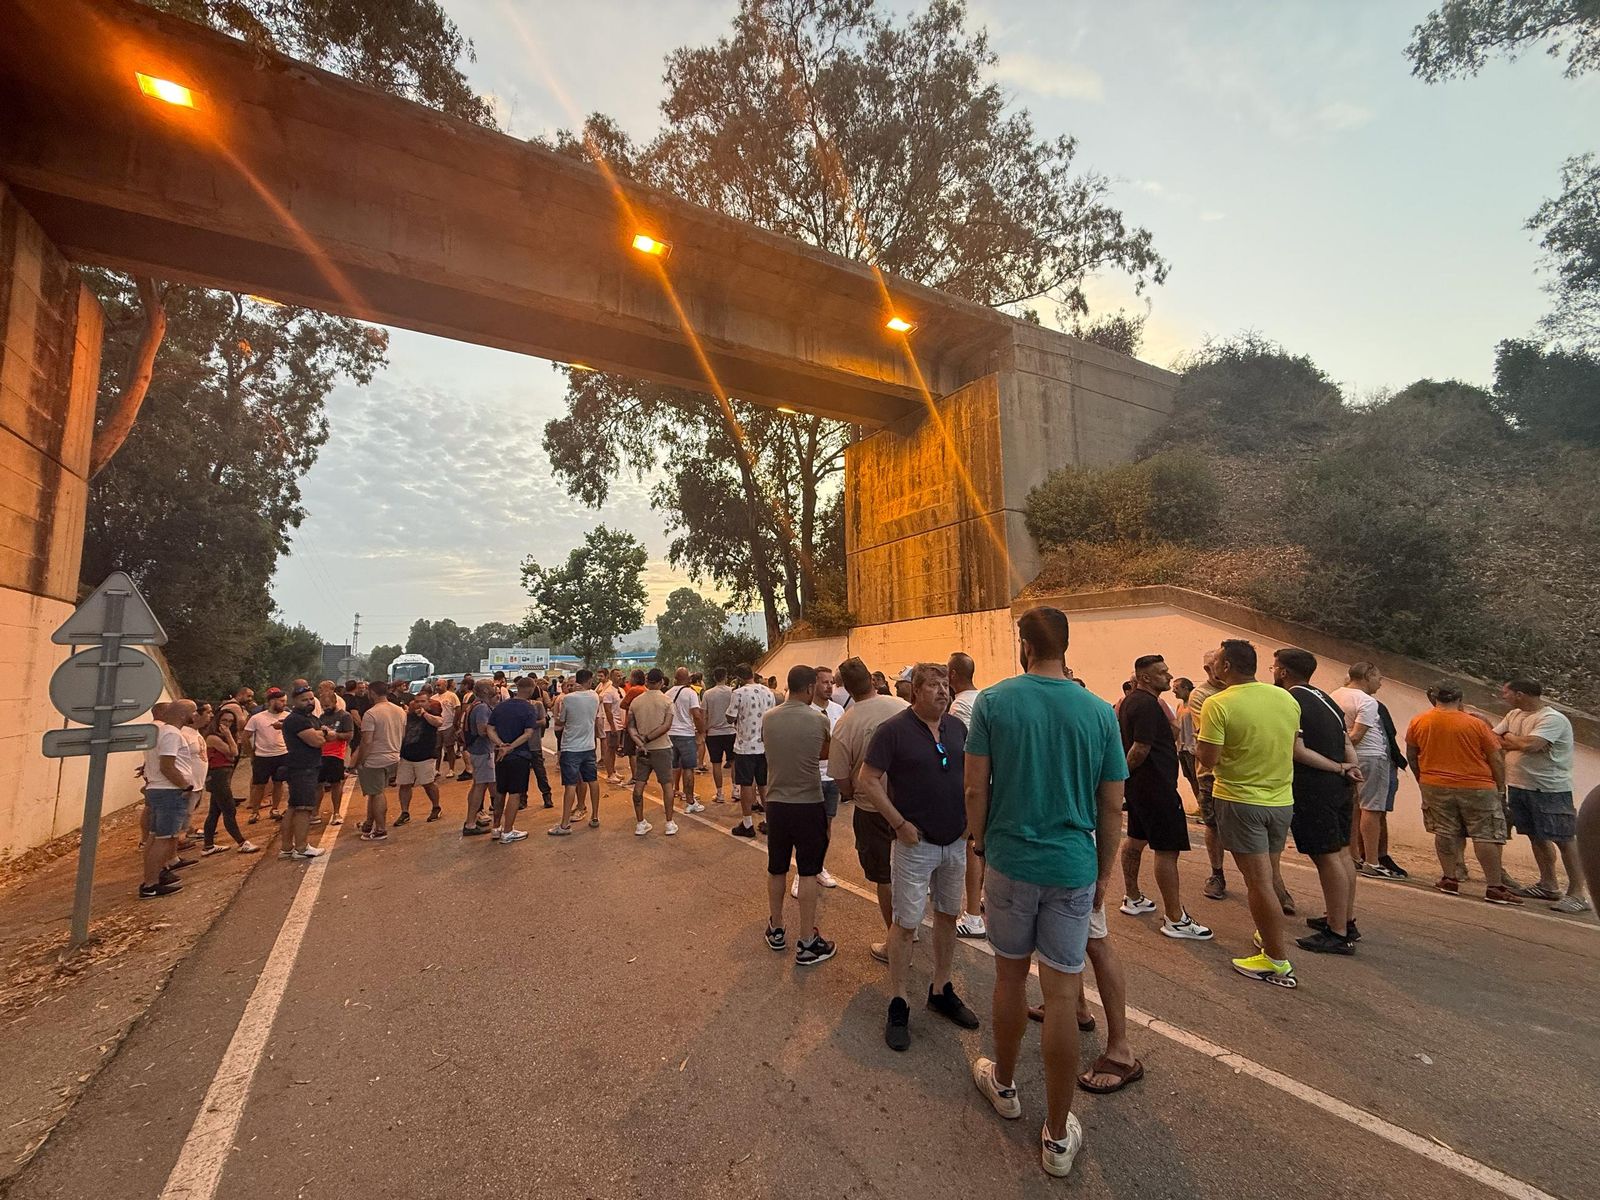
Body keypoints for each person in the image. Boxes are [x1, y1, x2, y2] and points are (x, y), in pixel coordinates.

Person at [965, 607, 1127, 1178]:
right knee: (1062, 994)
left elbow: (975, 788)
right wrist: (1104, 873)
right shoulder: (1099, 710)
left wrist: (980, 847)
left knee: (1010, 977)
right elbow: (1112, 806)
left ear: (1023, 645)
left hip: (1010, 861)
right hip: (1073, 865)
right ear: (1065, 645)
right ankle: (1058, 1135)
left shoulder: (994, 702)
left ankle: (1004, 1085)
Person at [859, 662, 980, 1050]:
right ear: (915, 691)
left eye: (946, 684)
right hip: (914, 845)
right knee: (906, 923)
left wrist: (971, 822)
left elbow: (970, 778)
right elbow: (868, 780)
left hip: (954, 842)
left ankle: (941, 988)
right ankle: (898, 999)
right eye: (933, 685)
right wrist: (898, 823)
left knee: (947, 916)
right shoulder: (893, 731)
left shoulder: (957, 728)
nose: (943, 691)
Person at [1196, 640, 1301, 988]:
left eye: (1216, 663)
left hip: (1240, 800)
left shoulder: (1218, 703)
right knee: (1269, 877)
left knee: (1257, 883)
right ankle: (1267, 934)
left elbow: (1208, 759)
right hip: (1281, 800)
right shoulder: (1286, 697)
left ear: (1226, 667)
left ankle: (1275, 959)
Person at [1271, 648, 1365, 953]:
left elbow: (1297, 751)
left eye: (1275, 667)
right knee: (1341, 853)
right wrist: (1350, 767)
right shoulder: (1324, 697)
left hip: (1314, 786)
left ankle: (1337, 934)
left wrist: (1339, 767)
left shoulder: (1290, 700)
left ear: (1283, 672)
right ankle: (1344, 918)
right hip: (1338, 785)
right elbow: (1346, 738)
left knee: (1327, 857)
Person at [1117, 655, 1211, 939]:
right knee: (1167, 850)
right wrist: (1122, 777)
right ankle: (1175, 918)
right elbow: (1140, 749)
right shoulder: (1146, 704)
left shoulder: (1132, 701)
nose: (1169, 677)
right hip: (1155, 788)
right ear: (1145, 677)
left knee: (1135, 840)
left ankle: (1133, 898)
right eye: (1162, 673)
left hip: (1141, 787)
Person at [1406, 683, 1522, 905]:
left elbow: (1412, 753)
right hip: (1477, 785)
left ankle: (1450, 878)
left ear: (1435, 698)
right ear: (1460, 699)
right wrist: (1499, 787)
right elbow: (1495, 757)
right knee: (1485, 833)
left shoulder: (1419, 721)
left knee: (1445, 830)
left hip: (1435, 783)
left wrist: (1422, 777)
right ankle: (1494, 886)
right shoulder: (1476, 724)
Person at [829, 657, 910, 960]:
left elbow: (839, 775)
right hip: (910, 803)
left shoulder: (846, 723)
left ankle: (895, 940)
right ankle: (909, 929)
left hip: (871, 807)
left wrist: (852, 793)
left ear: (846, 688)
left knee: (883, 875)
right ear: (874, 681)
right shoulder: (902, 708)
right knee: (911, 868)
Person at [760, 665, 836, 965]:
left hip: (777, 803)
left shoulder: (769, 718)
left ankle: (776, 928)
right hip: (809, 802)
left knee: (776, 867)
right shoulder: (818, 719)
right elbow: (824, 753)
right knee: (807, 871)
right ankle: (807, 941)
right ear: (808, 688)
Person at [1496, 679, 1589, 913]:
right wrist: (1514, 741)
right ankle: (1548, 884)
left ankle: (1578, 894)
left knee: (1564, 839)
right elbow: (1494, 738)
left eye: (1506, 692)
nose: (1503, 695)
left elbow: (1533, 745)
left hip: (1549, 789)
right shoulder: (1514, 714)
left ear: (1519, 694)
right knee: (1536, 836)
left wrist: (1512, 740)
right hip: (1519, 785)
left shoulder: (1552, 719)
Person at [1331, 663, 1404, 879]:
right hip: (1372, 757)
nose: (1380, 683)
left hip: (1349, 756)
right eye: (1378, 678)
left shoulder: (1336, 694)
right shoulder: (1368, 701)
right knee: (1372, 809)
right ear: (1368, 675)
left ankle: (1354, 856)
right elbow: (1356, 736)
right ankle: (1372, 860)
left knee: (1354, 806)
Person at [141, 700, 199, 898]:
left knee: (156, 836)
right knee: (164, 839)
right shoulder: (171, 734)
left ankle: (157, 874)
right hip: (169, 791)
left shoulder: (160, 733)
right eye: (194, 712)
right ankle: (150, 885)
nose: (196, 716)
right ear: (183, 714)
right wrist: (185, 786)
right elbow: (168, 766)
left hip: (158, 790)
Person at [948, 652, 987, 938]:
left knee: (973, 847)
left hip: (976, 785)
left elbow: (961, 752)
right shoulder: (983, 698)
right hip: (995, 781)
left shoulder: (959, 707)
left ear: (952, 675)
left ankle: (973, 915)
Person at [1186, 651, 1229, 900]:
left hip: (1241, 771)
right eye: (1219, 666)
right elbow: (1211, 734)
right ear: (1207, 669)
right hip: (1210, 773)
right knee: (1213, 825)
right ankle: (1217, 874)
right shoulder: (1201, 695)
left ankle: (1270, 883)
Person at [800, 664, 843, 892]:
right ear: (813, 684)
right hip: (811, 776)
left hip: (832, 777)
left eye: (831, 682)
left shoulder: (838, 711)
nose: (828, 686)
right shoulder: (805, 711)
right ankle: (802, 871)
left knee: (826, 826)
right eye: (824, 682)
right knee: (808, 827)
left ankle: (819, 867)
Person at [487, 678, 542, 843]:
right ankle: (508, 831)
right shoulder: (528, 708)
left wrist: (500, 744)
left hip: (500, 755)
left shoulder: (501, 706)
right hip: (519, 755)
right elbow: (528, 733)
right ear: (532, 689)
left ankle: (496, 827)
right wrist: (511, 747)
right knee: (515, 793)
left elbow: (490, 729)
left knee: (500, 791)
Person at [551, 669, 604, 835]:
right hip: (589, 746)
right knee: (592, 780)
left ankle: (565, 824)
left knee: (570, 785)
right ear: (589, 681)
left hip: (571, 746)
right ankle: (595, 816)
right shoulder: (595, 697)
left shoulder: (568, 698)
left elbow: (561, 720)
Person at [351, 678, 404, 842]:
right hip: (393, 756)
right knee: (374, 793)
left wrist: (359, 760)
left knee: (377, 793)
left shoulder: (371, 713)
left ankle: (381, 829)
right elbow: (402, 734)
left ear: (372, 693)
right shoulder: (399, 710)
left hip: (375, 759)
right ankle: (369, 824)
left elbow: (366, 741)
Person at [727, 663, 777, 838]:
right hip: (765, 746)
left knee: (746, 784)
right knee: (764, 784)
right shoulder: (768, 692)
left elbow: (730, 717)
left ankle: (747, 823)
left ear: (739, 678)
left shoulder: (738, 693)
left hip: (745, 746)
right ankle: (770, 822)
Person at [279, 685, 328, 859]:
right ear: (294, 701)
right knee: (303, 809)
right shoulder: (297, 720)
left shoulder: (310, 719)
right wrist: (322, 733)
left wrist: (321, 733)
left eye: (310, 698)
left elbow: (326, 735)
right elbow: (317, 740)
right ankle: (301, 847)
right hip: (302, 768)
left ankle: (286, 848)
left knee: (293, 807)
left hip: (307, 767)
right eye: (304, 700)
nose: (309, 702)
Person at [201, 706, 256, 856]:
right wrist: (229, 737)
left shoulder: (223, 737)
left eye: (231, 721)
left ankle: (208, 845)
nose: (227, 724)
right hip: (218, 775)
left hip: (223, 774)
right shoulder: (213, 737)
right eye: (224, 720)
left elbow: (232, 756)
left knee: (215, 811)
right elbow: (233, 752)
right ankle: (241, 842)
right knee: (229, 809)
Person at [628, 669, 677, 835]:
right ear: (662, 682)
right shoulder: (667, 701)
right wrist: (648, 738)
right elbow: (666, 726)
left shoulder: (636, 702)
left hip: (642, 751)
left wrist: (640, 742)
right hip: (662, 748)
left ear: (647, 681)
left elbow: (631, 726)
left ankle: (640, 822)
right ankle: (669, 822)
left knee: (639, 785)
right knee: (667, 785)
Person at [396, 694, 445, 825]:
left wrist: (424, 714)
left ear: (428, 703)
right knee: (404, 784)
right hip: (407, 755)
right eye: (417, 701)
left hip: (425, 755)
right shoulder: (409, 716)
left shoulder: (430, 714)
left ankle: (436, 807)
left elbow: (439, 722)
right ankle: (404, 812)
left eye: (423, 701)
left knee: (428, 783)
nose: (419, 704)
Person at [242, 687, 289, 822]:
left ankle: (275, 808)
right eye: (281, 701)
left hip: (282, 754)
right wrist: (251, 754)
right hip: (262, 756)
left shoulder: (288, 717)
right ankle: (255, 811)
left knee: (278, 783)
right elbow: (245, 737)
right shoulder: (257, 718)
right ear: (272, 701)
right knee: (259, 785)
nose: (284, 704)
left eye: (285, 701)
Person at [312, 680, 354, 827]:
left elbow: (349, 735)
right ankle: (315, 812)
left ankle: (336, 812)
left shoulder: (344, 716)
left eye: (328, 705)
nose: (325, 708)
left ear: (335, 701)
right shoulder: (322, 717)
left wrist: (335, 735)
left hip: (336, 754)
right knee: (318, 784)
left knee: (336, 784)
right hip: (321, 754)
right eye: (323, 706)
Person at [666, 667, 707, 813]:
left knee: (673, 767)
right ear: (688, 678)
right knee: (688, 768)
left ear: (675, 678)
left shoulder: (667, 693)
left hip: (670, 734)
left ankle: (669, 798)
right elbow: (696, 714)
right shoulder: (691, 693)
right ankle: (690, 801)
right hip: (686, 735)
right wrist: (702, 731)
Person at [459, 679, 497, 835]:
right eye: (493, 686)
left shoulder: (474, 705)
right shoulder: (482, 708)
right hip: (482, 751)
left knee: (477, 785)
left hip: (476, 750)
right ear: (486, 691)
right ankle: (470, 823)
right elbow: (482, 730)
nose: (496, 688)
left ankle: (473, 818)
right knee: (481, 786)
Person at [702, 667, 737, 804]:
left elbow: (704, 714)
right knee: (734, 762)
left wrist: (703, 731)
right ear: (726, 677)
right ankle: (736, 790)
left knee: (716, 763)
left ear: (714, 677)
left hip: (713, 733)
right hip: (730, 731)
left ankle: (720, 793)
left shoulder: (708, 694)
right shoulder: (732, 692)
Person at [1173, 677, 1199, 804]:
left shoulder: (1195, 704)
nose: (1174, 691)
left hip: (1192, 748)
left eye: (1176, 688)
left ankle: (1205, 807)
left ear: (1185, 688)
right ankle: (1200, 805)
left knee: (1197, 778)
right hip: (1182, 748)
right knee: (1190, 777)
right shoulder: (1179, 705)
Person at [597, 670, 624, 784]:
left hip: (619, 723)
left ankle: (613, 770)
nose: (620, 677)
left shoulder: (620, 690)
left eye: (621, 675)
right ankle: (610, 774)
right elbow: (608, 711)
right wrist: (612, 726)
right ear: (611, 677)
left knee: (614, 748)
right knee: (610, 748)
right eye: (618, 675)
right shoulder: (608, 692)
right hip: (612, 724)